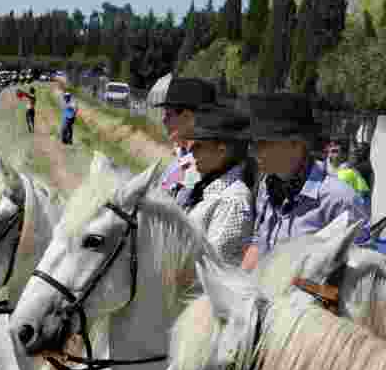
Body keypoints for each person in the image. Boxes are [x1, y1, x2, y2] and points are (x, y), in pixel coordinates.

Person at [242, 92, 372, 268]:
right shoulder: (267, 186)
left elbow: (360, 275)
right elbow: (258, 243)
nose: (253, 151)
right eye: (252, 144)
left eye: (262, 142)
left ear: (297, 143)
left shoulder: (339, 199)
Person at [178, 105, 255, 266]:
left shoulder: (232, 200)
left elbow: (212, 265)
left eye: (199, 145)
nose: (192, 152)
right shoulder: (210, 188)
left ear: (221, 150)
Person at [152, 78, 218, 200]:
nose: (164, 120)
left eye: (169, 115)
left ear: (188, 117)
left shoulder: (201, 164)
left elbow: (177, 204)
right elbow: (163, 192)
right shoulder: (181, 157)